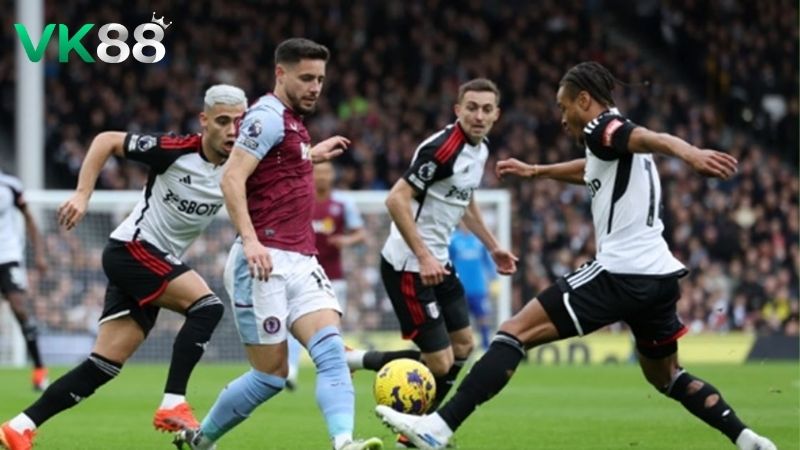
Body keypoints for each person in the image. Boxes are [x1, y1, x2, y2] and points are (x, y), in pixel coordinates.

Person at [375, 61, 777, 450]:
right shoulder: (609, 145)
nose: (562, 117)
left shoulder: (602, 126)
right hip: (660, 277)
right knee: (667, 377)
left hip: (620, 272)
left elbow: (651, 137)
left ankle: (439, 428)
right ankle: (747, 439)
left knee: (513, 333)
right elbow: (592, 168)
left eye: (563, 105)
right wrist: (538, 170)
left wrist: (690, 153)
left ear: (584, 100)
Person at [0, 84, 247, 450]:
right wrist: (83, 194)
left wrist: (310, 155)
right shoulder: (174, 150)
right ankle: (173, 403)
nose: (232, 130)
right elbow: (106, 141)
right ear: (204, 121)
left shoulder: (241, 165)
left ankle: (18, 427)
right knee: (208, 307)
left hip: (151, 261)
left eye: (239, 122)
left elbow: (288, 160)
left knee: (103, 366)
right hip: (132, 249)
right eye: (223, 121)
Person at [174, 38, 382, 450]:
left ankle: (344, 442)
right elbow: (232, 178)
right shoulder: (266, 117)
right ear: (280, 74)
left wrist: (309, 155)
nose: (315, 87)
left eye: (320, 79)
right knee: (270, 376)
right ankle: (201, 439)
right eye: (306, 78)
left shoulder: (291, 121)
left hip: (302, 259)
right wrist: (251, 241)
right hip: (262, 262)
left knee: (332, 355)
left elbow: (275, 167)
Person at [377, 78, 517, 448]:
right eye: (472, 108)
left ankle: (420, 430)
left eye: (486, 109)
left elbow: (464, 201)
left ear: (497, 114)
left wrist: (493, 247)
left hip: (438, 262)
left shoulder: (481, 150)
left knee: (464, 346)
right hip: (409, 264)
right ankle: (364, 362)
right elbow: (395, 200)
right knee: (439, 363)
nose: (479, 115)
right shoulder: (442, 149)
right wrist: (423, 255)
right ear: (458, 110)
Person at [285, 161, 366, 391]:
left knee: (332, 326)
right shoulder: (301, 199)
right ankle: (291, 371)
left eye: (326, 172)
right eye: (318, 172)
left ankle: (336, 372)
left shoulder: (343, 203)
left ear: (332, 175)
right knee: (294, 320)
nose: (322, 176)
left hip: (333, 276)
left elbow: (361, 234)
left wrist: (345, 240)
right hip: (301, 274)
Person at [0, 170, 49, 391]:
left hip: (8, 256)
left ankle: (39, 369)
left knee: (19, 309)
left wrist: (40, 254)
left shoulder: (10, 185)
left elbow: (29, 219)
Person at [448, 224, 496, 351]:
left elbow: (487, 262)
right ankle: (457, 347)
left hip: (478, 287)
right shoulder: (453, 240)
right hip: (459, 287)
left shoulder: (479, 240)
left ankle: (485, 346)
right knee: (458, 320)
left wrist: (493, 279)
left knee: (482, 317)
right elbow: (448, 260)